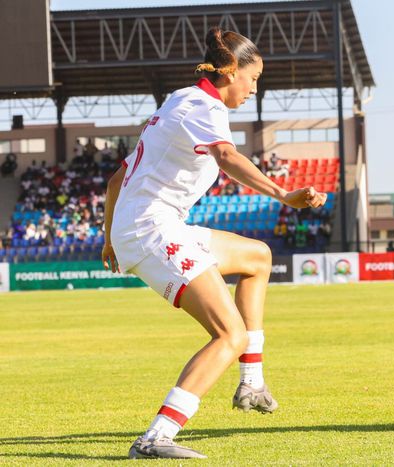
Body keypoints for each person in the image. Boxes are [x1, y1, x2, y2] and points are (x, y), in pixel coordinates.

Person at [101, 27, 327, 459]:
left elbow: (116, 180)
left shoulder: (178, 101)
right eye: (253, 79)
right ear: (230, 71)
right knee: (229, 334)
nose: (254, 89)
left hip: (149, 224)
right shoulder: (205, 106)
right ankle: (156, 437)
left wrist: (110, 238)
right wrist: (282, 194)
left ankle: (252, 383)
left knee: (258, 258)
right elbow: (226, 157)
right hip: (153, 228)